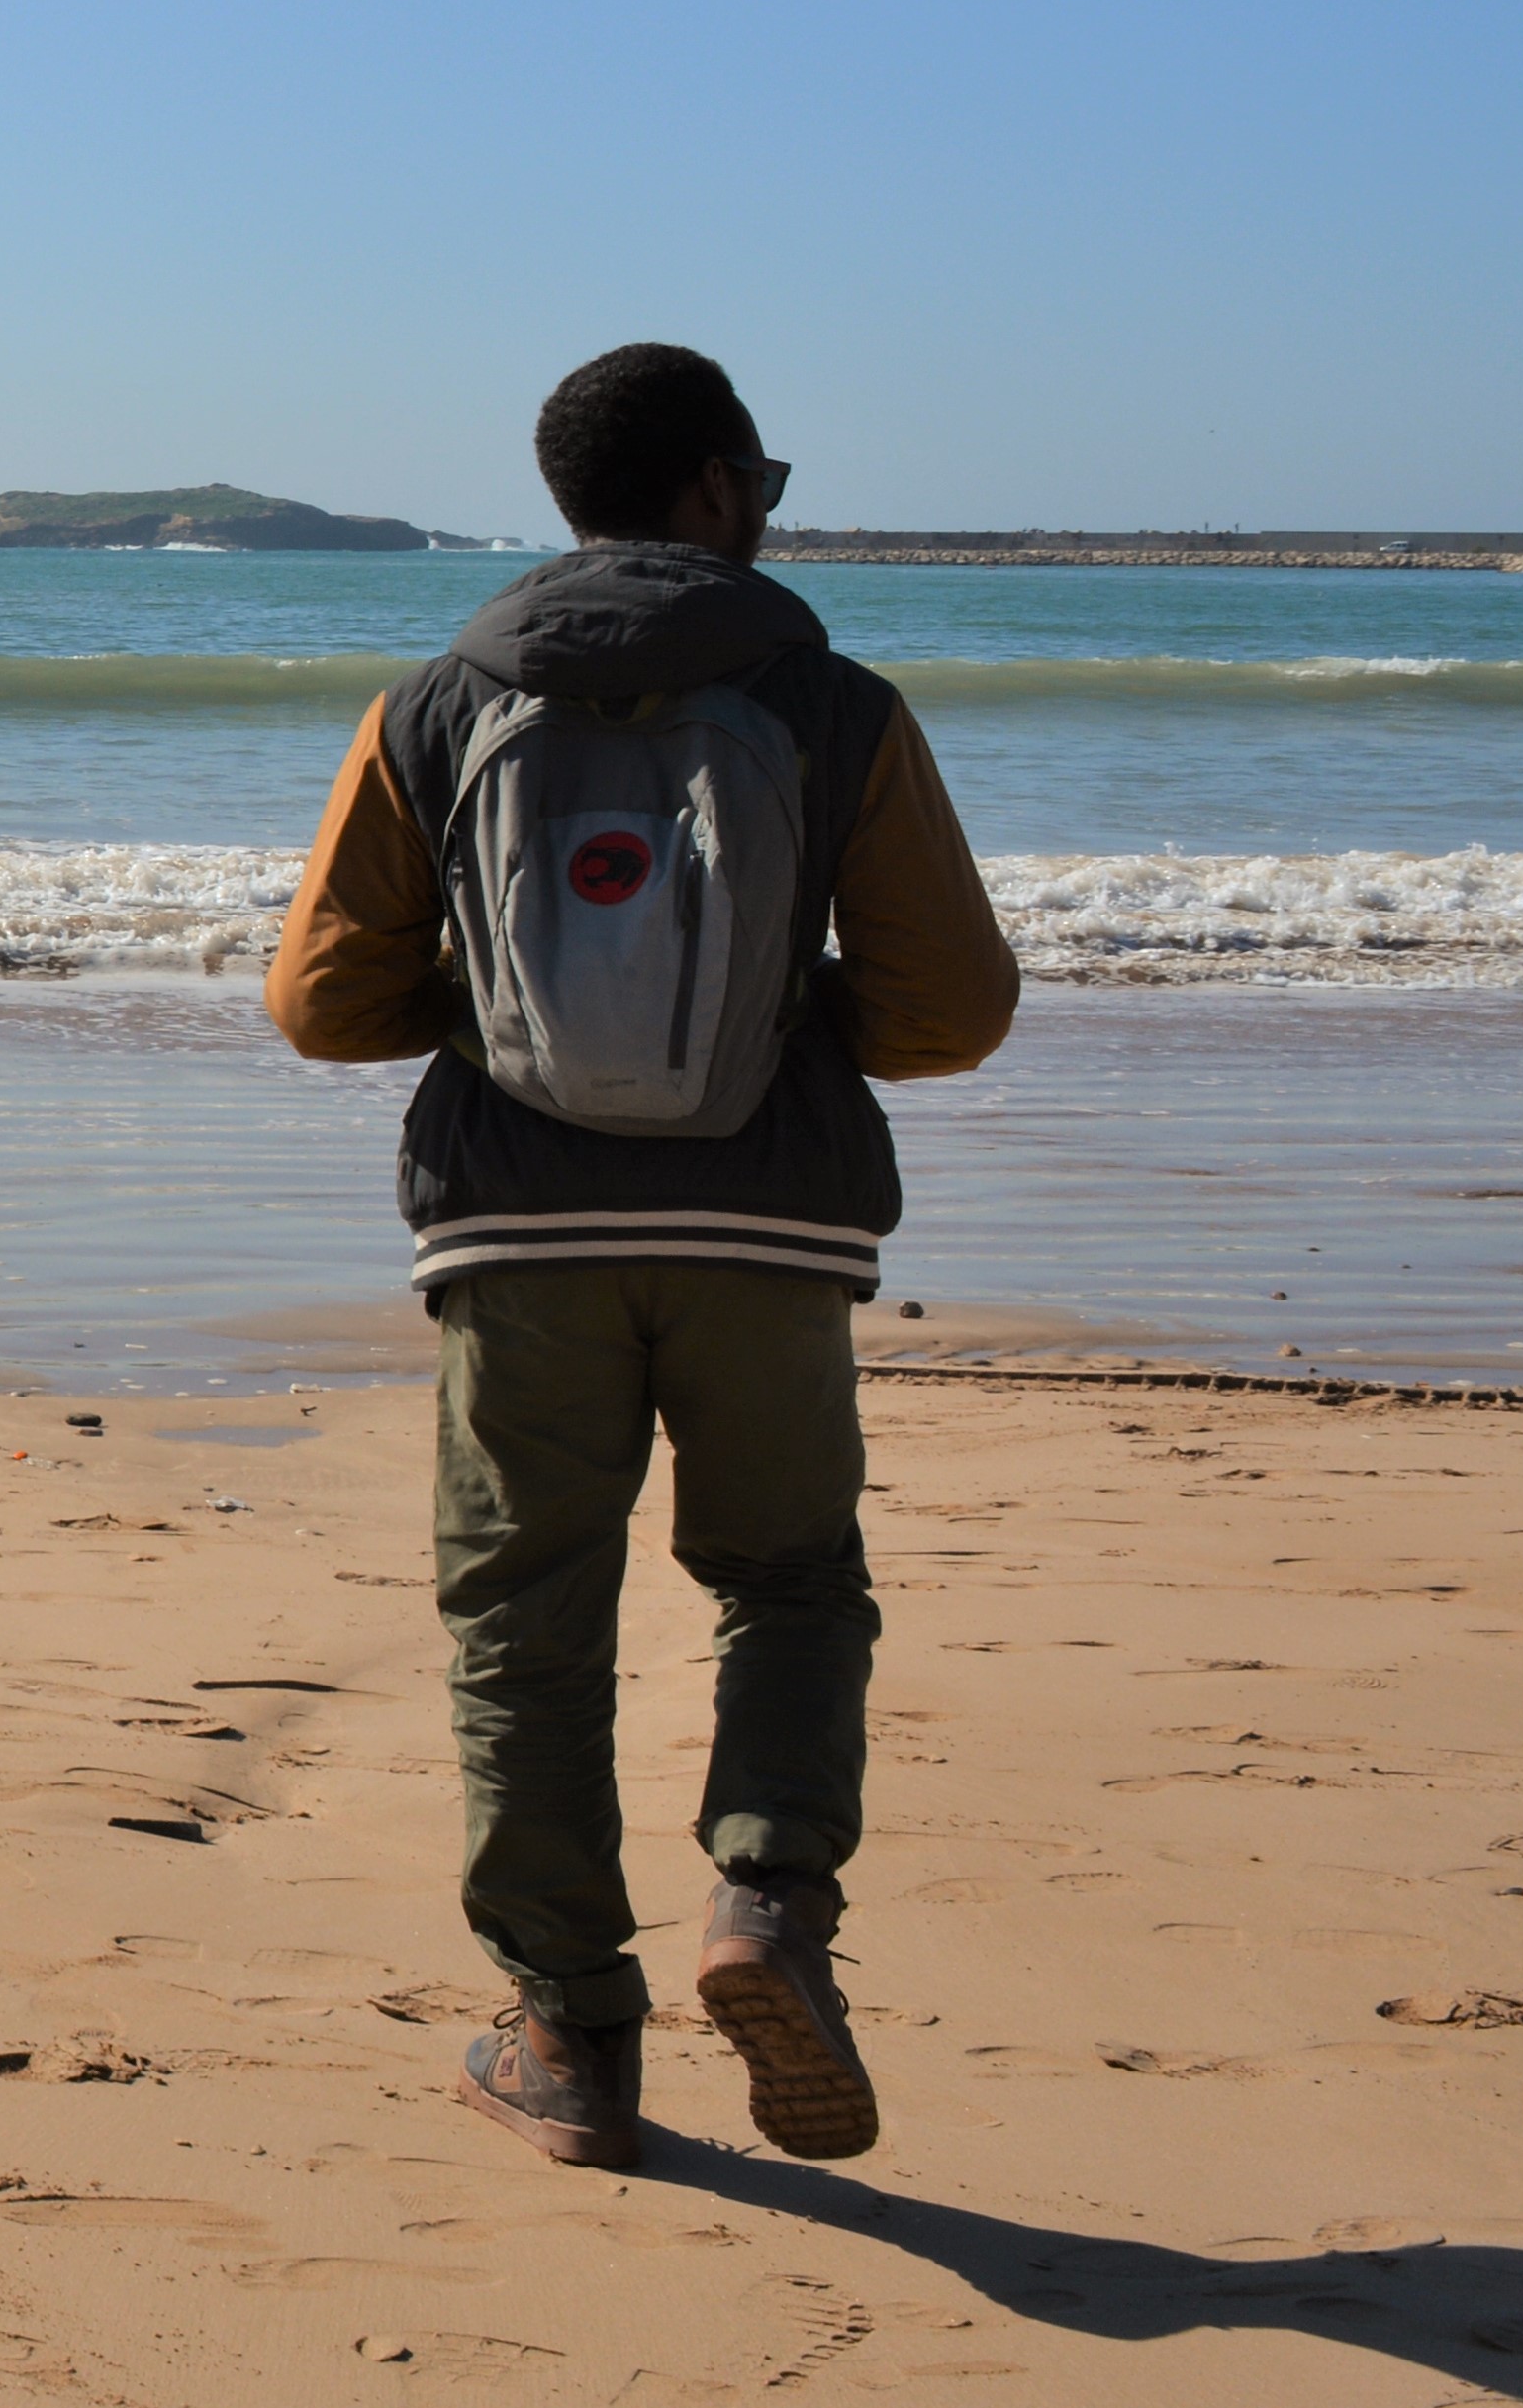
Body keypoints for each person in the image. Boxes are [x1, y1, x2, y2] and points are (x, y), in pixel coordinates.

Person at [265, 343, 1020, 2170]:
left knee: (524, 1612)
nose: (770, 505)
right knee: (788, 1581)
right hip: (769, 1225)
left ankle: (570, 2029)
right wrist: (789, 1020)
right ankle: (767, 1904)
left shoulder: (434, 704)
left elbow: (319, 1004)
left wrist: (499, 1012)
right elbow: (951, 1011)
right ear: (710, 488)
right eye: (763, 478)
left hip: (518, 1229)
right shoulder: (838, 706)